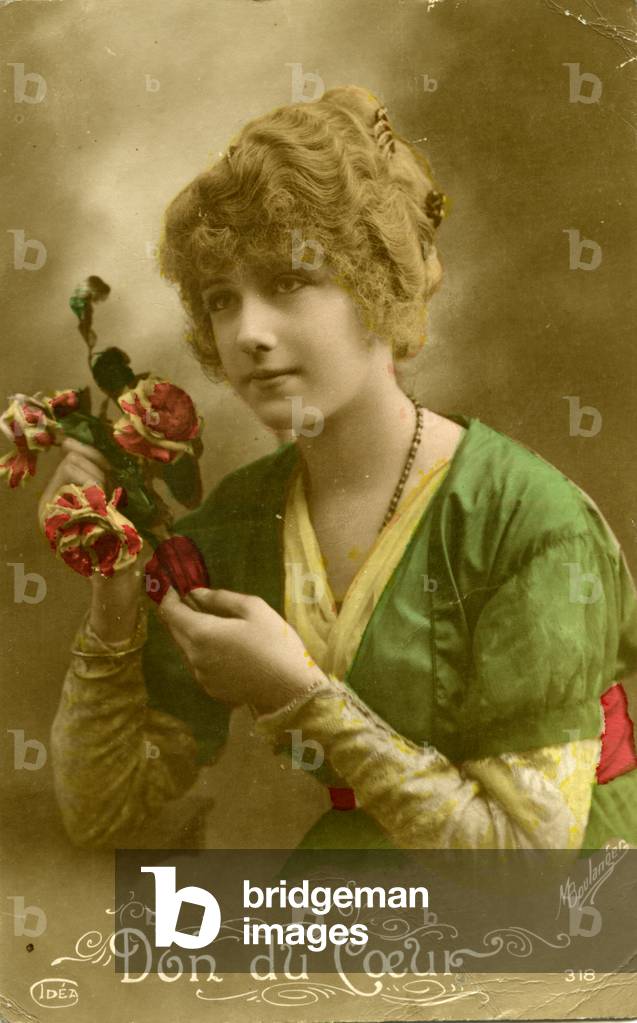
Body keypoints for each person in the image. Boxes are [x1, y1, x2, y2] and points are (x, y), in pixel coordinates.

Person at [46, 85, 637, 852]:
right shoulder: (239, 516)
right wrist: (115, 588)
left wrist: (298, 692)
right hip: (363, 881)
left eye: (289, 282)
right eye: (222, 299)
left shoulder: (529, 523)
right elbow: (103, 809)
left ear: (375, 283)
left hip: (571, 918)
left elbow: (527, 863)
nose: (249, 332)